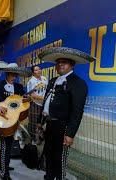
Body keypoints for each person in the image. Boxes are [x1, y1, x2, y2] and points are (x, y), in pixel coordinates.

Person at [37, 47, 95, 180]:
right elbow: (45, 104)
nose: (60, 65)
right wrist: (40, 123)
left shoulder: (78, 83)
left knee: (60, 159)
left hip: (63, 127)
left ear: (72, 65)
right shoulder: (52, 81)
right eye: (58, 62)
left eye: (64, 62)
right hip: (49, 125)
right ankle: (49, 177)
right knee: (49, 155)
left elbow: (77, 111)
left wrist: (70, 134)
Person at [0, 61, 31, 180]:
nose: (14, 77)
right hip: (3, 119)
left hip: (14, 119)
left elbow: (22, 101)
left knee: (7, 144)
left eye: (15, 75)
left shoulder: (19, 87)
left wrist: (27, 99)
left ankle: (0, 165)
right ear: (7, 74)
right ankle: (5, 173)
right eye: (12, 74)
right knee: (6, 144)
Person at [27, 65, 47, 138]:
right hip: (35, 104)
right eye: (36, 70)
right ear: (33, 73)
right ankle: (32, 140)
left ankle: (40, 138)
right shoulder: (31, 81)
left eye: (39, 69)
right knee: (34, 122)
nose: (38, 71)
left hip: (44, 105)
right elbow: (32, 95)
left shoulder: (44, 79)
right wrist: (44, 98)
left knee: (42, 122)